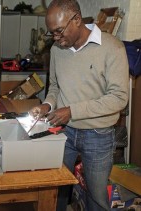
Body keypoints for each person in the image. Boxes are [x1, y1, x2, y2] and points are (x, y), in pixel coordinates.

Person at [29, 0, 129, 210]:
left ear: (76, 19)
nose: (56, 39)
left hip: (98, 135)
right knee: (56, 190)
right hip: (64, 132)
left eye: (59, 31)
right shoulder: (58, 49)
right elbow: (55, 86)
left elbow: (119, 98)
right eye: (52, 34)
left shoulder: (112, 48)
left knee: (96, 197)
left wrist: (73, 111)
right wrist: (47, 105)